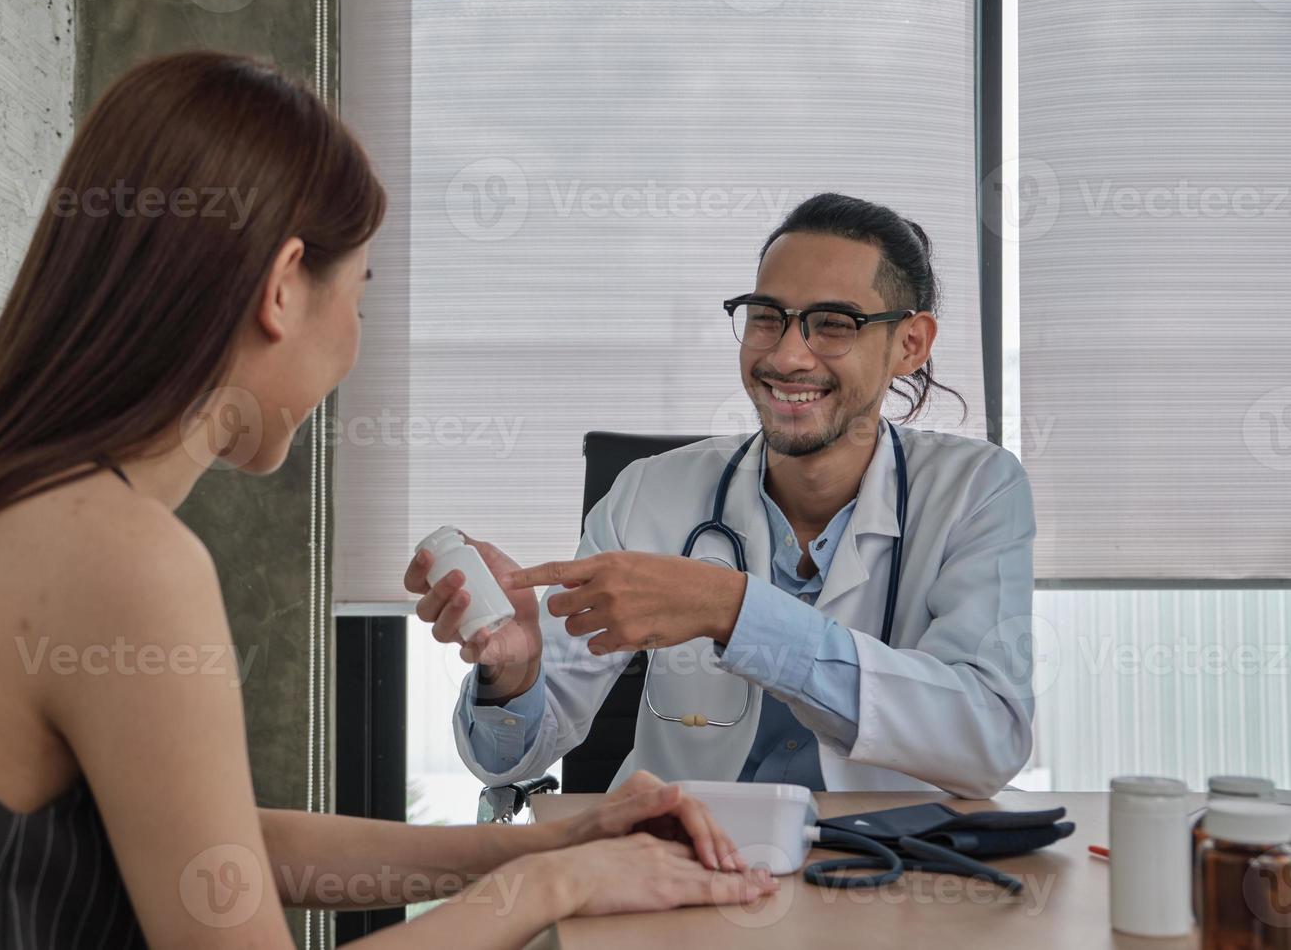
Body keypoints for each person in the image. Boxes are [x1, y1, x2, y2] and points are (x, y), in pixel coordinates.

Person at [0, 51, 774, 949]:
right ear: (283, 288)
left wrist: (537, 846)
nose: (357, 344)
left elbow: (221, 849)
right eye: (359, 295)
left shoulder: (11, 500)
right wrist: (552, 893)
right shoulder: (123, 560)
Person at [411, 193, 1037, 800]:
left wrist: (735, 611)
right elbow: (506, 758)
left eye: (833, 325)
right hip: (677, 863)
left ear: (910, 344)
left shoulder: (976, 491)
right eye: (767, 316)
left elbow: (989, 738)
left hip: (889, 872)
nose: (789, 355)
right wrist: (512, 676)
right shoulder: (649, 493)